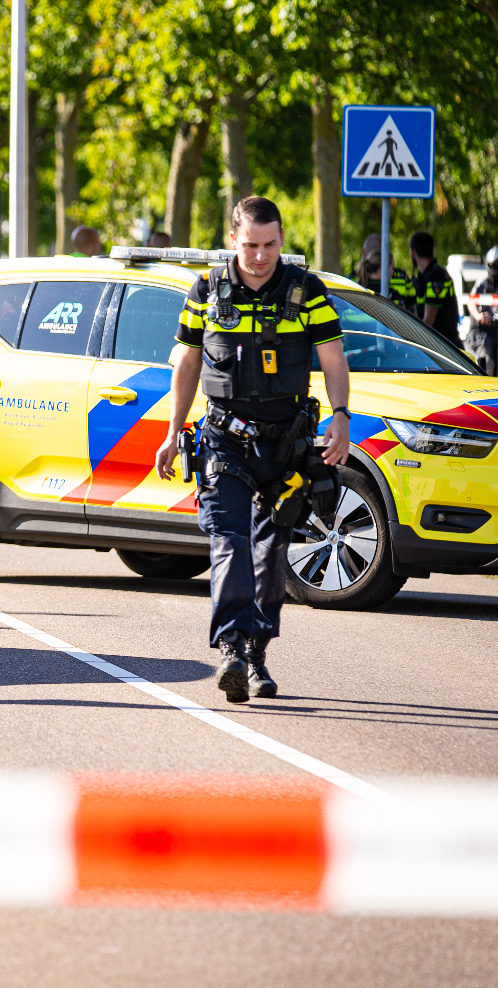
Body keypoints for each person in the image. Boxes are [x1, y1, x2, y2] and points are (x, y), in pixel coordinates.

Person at [152, 196, 351, 704]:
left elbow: (333, 359)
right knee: (229, 541)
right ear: (232, 240)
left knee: (270, 554)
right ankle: (232, 650)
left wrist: (341, 419)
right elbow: (189, 362)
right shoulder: (207, 289)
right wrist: (173, 431)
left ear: (282, 239)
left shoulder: (307, 291)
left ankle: (257, 653)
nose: (260, 256)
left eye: (269, 245)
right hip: (224, 439)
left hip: (285, 447)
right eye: (250, 245)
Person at [408, 231, 461, 347]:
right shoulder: (424, 276)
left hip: (445, 345)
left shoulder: (436, 276)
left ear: (413, 252)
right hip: (437, 343)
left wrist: (413, 344)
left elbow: (429, 318)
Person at [355, 233, 413, 309]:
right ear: (385, 268)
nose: (393, 272)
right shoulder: (393, 295)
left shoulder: (356, 291)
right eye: (392, 268)